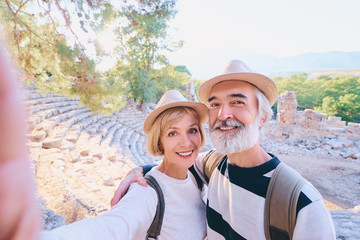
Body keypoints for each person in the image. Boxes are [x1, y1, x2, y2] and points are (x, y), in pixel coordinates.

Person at [111, 60, 336, 240]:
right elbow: (175, 163)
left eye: (237, 102)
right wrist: (140, 171)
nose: (223, 114)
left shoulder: (302, 204)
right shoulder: (212, 165)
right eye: (215, 104)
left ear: (263, 117)